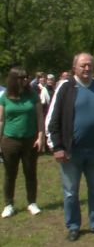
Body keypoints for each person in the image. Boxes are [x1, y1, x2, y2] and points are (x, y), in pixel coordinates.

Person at [46, 53, 94, 241]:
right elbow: (53, 120)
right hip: (71, 151)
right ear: (75, 67)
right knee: (70, 192)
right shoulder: (66, 88)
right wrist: (57, 147)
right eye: (83, 65)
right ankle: (73, 226)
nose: (87, 68)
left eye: (90, 65)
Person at [0, 67, 45, 218]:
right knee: (9, 174)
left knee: (30, 172)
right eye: (22, 77)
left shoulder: (33, 95)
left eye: (27, 77)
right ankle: (8, 204)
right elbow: (1, 120)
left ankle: (32, 203)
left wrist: (40, 136)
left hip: (30, 141)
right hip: (9, 140)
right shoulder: (5, 97)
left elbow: (40, 117)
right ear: (14, 79)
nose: (26, 80)